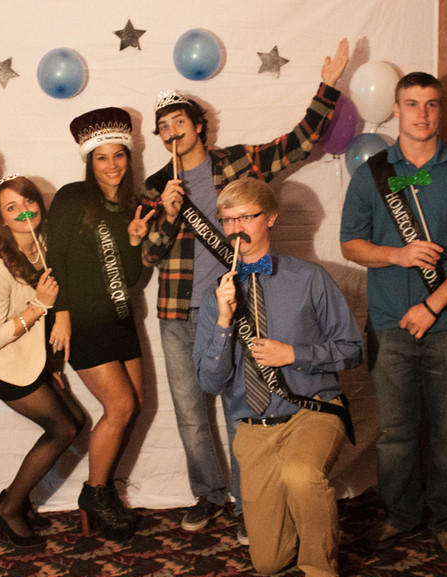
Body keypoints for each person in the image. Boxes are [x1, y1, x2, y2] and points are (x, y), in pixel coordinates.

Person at [141, 38, 351, 542]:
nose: (171, 132)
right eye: (163, 128)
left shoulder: (237, 162)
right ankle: (209, 494)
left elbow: (299, 142)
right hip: (177, 313)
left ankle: (247, 504)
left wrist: (329, 86)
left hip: (237, 306)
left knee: (243, 407)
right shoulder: (155, 185)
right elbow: (148, 253)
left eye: (178, 122)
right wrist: (167, 215)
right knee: (192, 413)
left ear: (197, 125)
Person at [339, 72, 447, 564]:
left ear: (440, 110)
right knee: (395, 434)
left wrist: (432, 306)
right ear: (396, 109)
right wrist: (398, 255)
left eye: (431, 105)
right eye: (412, 104)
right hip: (389, 323)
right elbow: (350, 244)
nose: (422, 114)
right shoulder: (374, 174)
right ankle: (401, 513)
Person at [194, 178, 363, 577]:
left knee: (302, 474)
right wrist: (225, 321)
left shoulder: (309, 278)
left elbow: (352, 348)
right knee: (267, 561)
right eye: (227, 220)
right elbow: (210, 382)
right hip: (253, 426)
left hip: (312, 409)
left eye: (246, 216)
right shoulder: (217, 295)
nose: (236, 228)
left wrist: (296, 355)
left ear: (270, 218)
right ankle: (307, 521)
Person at [47, 107, 154, 541]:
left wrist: (132, 242)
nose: (111, 165)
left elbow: (129, 280)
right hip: (83, 323)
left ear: (128, 159)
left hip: (121, 320)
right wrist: (63, 313)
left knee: (135, 407)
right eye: (101, 158)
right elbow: (57, 260)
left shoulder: (131, 205)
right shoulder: (72, 197)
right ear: (89, 162)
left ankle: (102, 492)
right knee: (120, 407)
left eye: (118, 156)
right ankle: (95, 493)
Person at [0, 175, 84, 549]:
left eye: (28, 201)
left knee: (77, 422)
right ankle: (9, 509)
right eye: (11, 208)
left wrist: (50, 365)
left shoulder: (47, 247)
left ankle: (11, 499)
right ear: (0, 220)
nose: (23, 212)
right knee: (63, 430)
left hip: (32, 358)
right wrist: (39, 306)